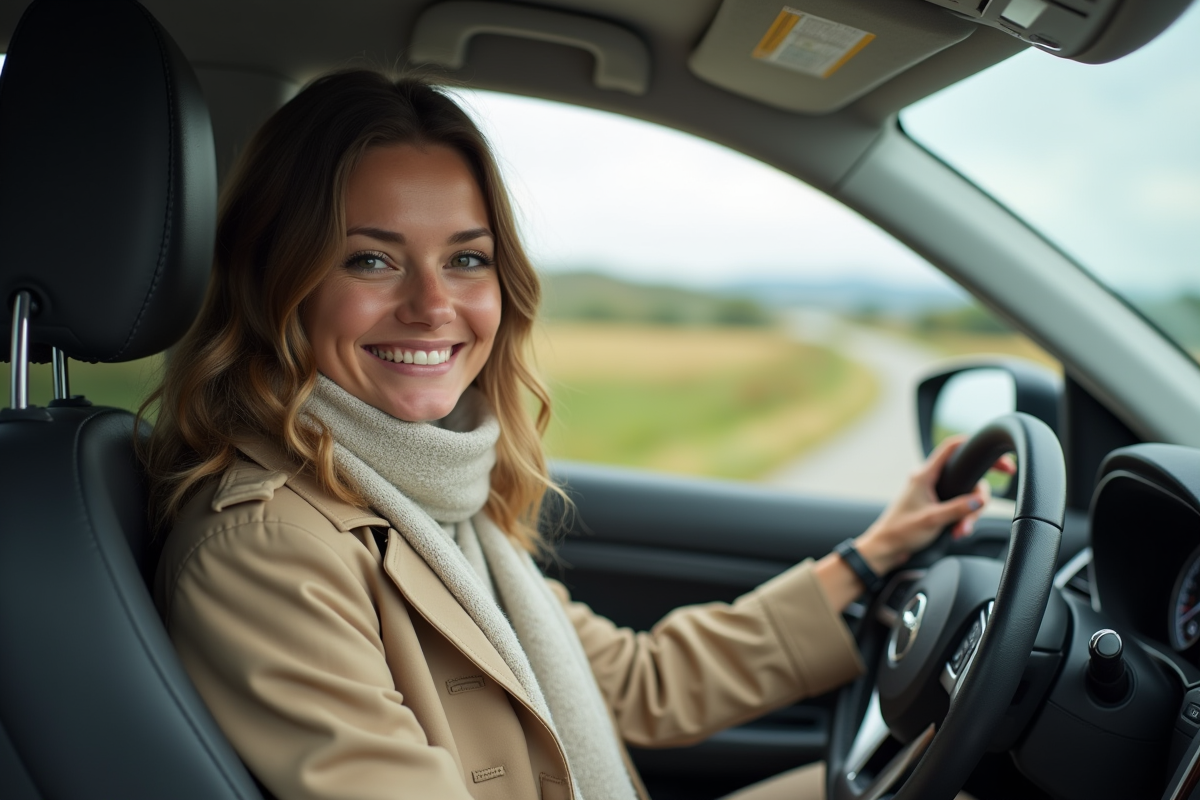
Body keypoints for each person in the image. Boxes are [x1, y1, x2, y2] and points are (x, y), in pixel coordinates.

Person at [146, 69, 995, 800]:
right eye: (371, 258)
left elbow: (634, 683)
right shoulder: (267, 548)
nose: (432, 306)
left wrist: (866, 561)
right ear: (274, 282)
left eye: (466, 259)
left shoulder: (432, 497)